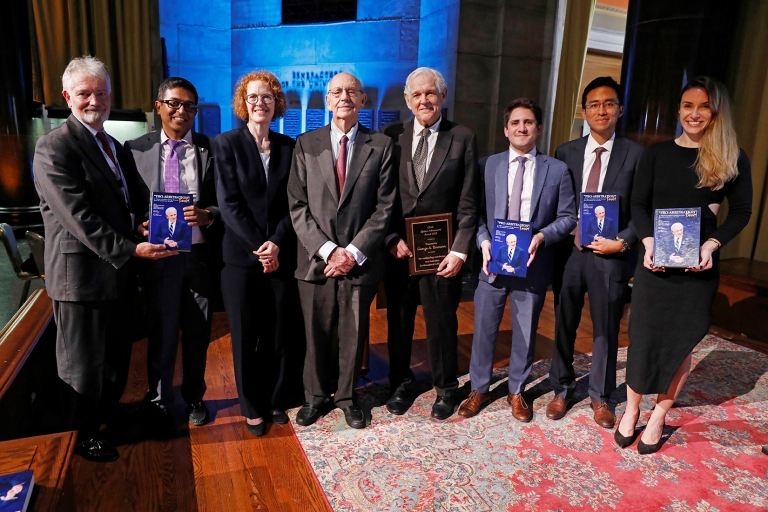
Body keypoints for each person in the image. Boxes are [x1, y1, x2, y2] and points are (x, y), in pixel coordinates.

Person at [33, 56, 175, 462]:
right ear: (67, 97)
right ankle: (80, 438)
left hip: (116, 274)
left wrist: (143, 227)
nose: (93, 101)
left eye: (100, 93)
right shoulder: (54, 146)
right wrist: (132, 247)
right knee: (81, 366)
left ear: (110, 96)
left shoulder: (111, 144)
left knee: (114, 357)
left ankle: (109, 416)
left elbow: (126, 202)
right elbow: (77, 217)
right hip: (80, 279)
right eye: (84, 94)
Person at [616, 76, 752, 454]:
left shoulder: (732, 157)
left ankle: (658, 416)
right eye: (687, 106)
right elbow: (639, 206)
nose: (694, 114)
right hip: (654, 263)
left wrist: (712, 243)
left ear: (716, 112)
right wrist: (646, 242)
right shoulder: (655, 154)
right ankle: (631, 410)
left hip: (698, 270)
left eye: (703, 106)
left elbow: (741, 212)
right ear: (678, 110)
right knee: (642, 339)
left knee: (679, 344)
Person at [288, 72, 395, 429]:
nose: (344, 97)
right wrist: (329, 251)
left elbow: (385, 208)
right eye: (336, 91)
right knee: (315, 333)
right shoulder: (305, 144)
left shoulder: (380, 145)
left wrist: (351, 252)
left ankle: (348, 397)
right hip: (315, 261)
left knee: (353, 332)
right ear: (327, 99)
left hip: (359, 263)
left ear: (363, 100)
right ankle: (316, 397)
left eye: (352, 91)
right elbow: (297, 205)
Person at [458, 98, 576, 420]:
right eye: (515, 123)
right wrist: (482, 242)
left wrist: (540, 236)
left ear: (538, 128)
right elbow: (475, 213)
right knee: (484, 328)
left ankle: (516, 391)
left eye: (528, 123)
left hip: (534, 264)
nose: (522, 128)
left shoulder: (557, 170)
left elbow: (568, 217)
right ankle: (479, 388)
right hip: (491, 263)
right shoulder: (487, 166)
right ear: (506, 130)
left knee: (525, 330)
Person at [380, 67, 478, 419]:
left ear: (443, 96)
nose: (424, 100)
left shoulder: (463, 137)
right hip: (399, 251)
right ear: (407, 100)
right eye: (417, 95)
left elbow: (468, 202)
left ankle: (446, 389)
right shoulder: (390, 136)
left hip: (443, 253)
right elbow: (383, 196)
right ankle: (401, 383)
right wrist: (390, 237)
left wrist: (460, 250)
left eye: (430, 93)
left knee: (442, 322)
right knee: (400, 321)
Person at [546, 76, 644, 428]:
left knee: (606, 327)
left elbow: (642, 208)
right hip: (569, 253)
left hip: (612, 254)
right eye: (594, 104)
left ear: (619, 109)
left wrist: (625, 241)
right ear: (583, 111)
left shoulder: (636, 154)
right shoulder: (565, 151)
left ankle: (601, 397)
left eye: (609, 104)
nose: (601, 110)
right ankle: (561, 388)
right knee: (563, 322)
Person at [125, 77, 219, 429]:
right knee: (162, 333)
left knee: (198, 333)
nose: (182, 111)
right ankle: (160, 400)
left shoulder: (211, 148)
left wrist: (209, 215)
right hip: (159, 259)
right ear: (159, 105)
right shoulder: (134, 149)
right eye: (175, 103)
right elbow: (128, 203)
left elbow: (224, 201)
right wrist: (137, 226)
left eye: (190, 105)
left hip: (199, 258)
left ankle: (194, 396)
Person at [215, 70, 299, 436]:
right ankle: (251, 407)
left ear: (276, 102)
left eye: (267, 97)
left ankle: (275, 398)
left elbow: (295, 205)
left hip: (281, 255)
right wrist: (260, 248)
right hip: (240, 259)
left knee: (279, 334)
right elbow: (228, 204)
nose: (260, 103)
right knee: (246, 336)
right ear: (242, 104)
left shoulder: (289, 147)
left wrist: (277, 243)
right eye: (253, 97)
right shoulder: (226, 144)